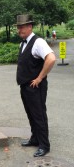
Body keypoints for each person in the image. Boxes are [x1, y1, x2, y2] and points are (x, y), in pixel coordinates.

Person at [16, 14, 56, 157]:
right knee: (31, 114)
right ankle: (35, 139)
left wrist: (39, 78)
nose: (18, 30)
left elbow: (51, 59)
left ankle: (44, 145)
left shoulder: (38, 42)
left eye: (21, 27)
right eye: (18, 27)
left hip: (35, 87)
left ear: (29, 26)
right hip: (25, 87)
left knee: (39, 116)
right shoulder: (23, 43)